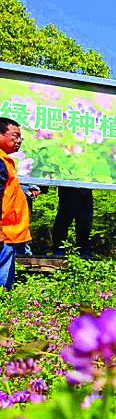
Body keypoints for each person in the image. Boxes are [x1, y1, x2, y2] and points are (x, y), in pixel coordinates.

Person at [0, 118, 30, 291]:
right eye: (15, 136)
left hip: (8, 235)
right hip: (3, 235)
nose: (19, 141)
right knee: (2, 286)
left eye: (21, 138)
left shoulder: (6, 162)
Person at [52, 186, 93, 257]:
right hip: (67, 189)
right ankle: (58, 250)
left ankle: (84, 251)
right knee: (63, 221)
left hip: (85, 190)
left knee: (85, 222)